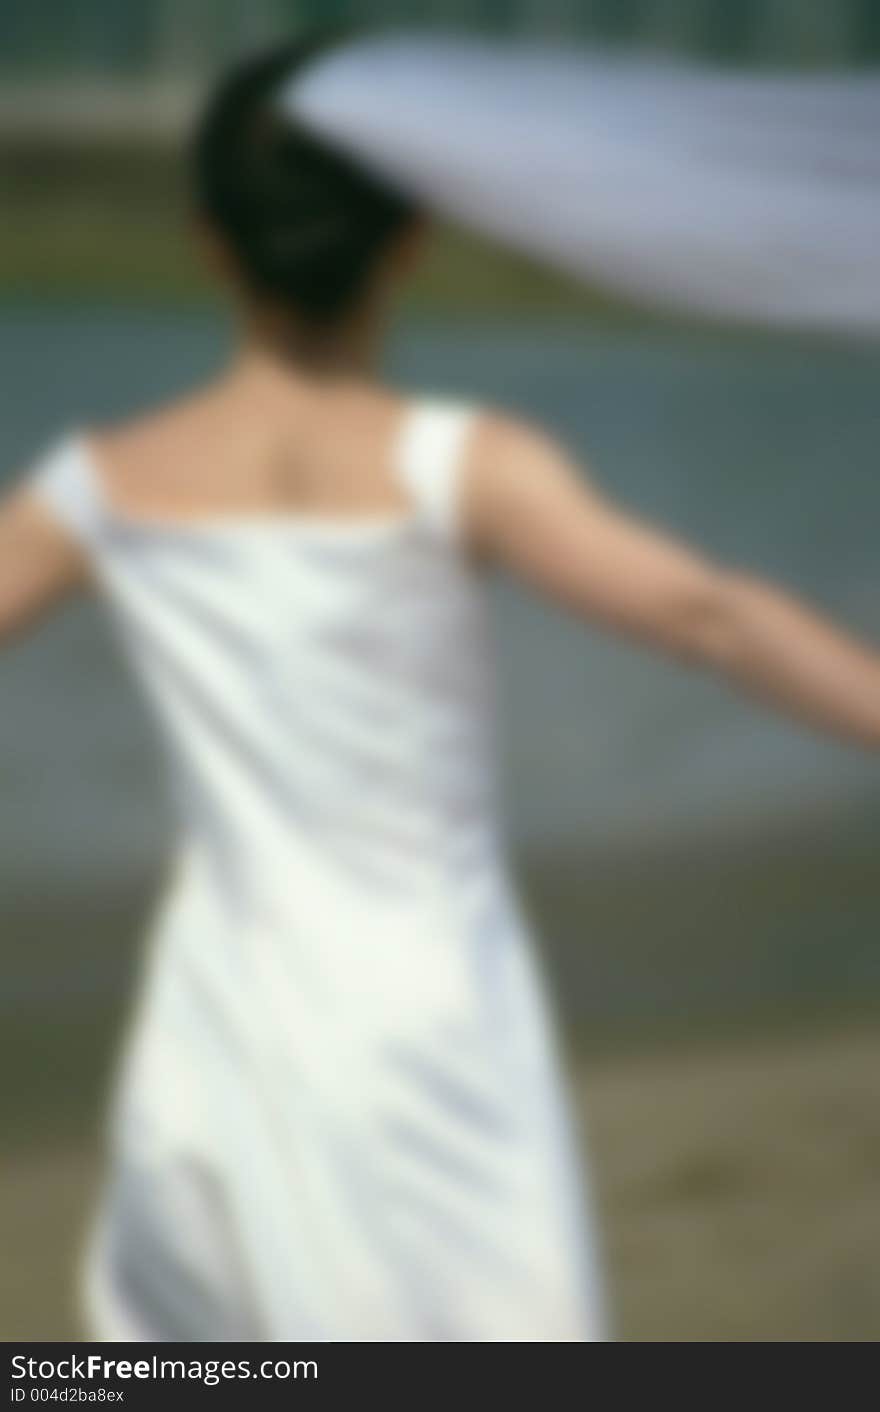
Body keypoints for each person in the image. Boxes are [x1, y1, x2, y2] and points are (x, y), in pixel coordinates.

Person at [1, 36, 878, 1343]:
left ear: (207, 242)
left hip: (219, 1020)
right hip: (425, 1018)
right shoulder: (461, 462)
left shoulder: (97, 481)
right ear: (408, 240)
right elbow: (710, 616)